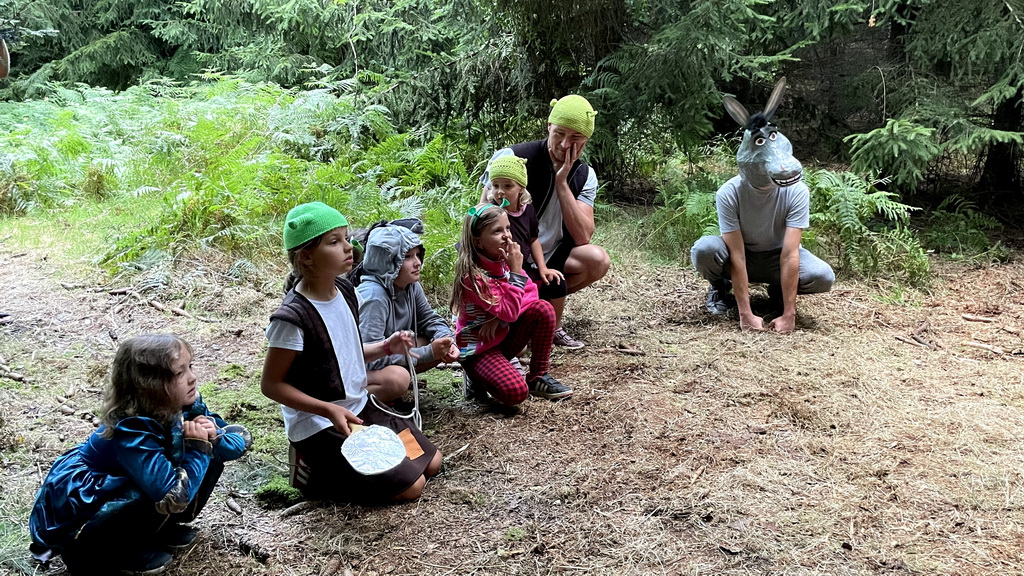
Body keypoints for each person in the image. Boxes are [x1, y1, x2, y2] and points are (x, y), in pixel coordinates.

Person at [260, 201, 442, 503]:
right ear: (307, 257)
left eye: (346, 238)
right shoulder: (292, 319)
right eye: (334, 242)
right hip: (321, 423)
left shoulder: (345, 291)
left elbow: (344, 352)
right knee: (412, 486)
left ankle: (348, 468)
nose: (348, 247)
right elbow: (271, 385)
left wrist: (385, 347)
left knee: (431, 462)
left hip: (360, 408)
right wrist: (327, 410)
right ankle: (313, 471)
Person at [29, 334, 252, 575]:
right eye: (180, 373)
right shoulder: (132, 430)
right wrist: (199, 448)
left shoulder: (184, 404)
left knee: (208, 458)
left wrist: (215, 437)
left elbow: (238, 441)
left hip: (144, 483)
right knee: (151, 487)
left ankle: (156, 532)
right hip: (90, 504)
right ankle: (113, 552)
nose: (192, 377)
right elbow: (172, 495)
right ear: (150, 384)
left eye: (191, 366)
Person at [690, 78, 834, 334]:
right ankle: (720, 287)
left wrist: (790, 315)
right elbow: (736, 254)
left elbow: (790, 253)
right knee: (704, 250)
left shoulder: (796, 190)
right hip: (742, 255)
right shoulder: (729, 193)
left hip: (777, 258)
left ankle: (780, 292)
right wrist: (745, 314)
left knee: (822, 276)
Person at [481, 95, 610, 349]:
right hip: (509, 252)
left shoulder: (585, 175)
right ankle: (511, 315)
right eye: (559, 133)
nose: (565, 144)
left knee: (598, 260)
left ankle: (544, 317)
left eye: (575, 137)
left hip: (551, 254)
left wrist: (562, 182)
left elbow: (583, 236)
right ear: (549, 126)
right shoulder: (513, 157)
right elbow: (483, 214)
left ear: (586, 140)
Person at [451, 201, 573, 405]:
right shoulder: (473, 277)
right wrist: (516, 274)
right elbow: (509, 311)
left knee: (543, 308)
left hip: (501, 337)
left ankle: (538, 376)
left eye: (507, 228)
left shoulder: (504, 263)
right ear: (478, 241)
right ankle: (475, 377)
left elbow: (532, 294)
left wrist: (499, 319)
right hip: (479, 350)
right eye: (497, 231)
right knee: (515, 392)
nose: (507, 236)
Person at [356, 224, 459, 401]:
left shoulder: (411, 285)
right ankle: (357, 403)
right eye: (407, 256)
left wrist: (448, 339)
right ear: (387, 261)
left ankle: (389, 391)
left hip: (389, 353)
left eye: (418, 255)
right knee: (398, 379)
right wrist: (428, 353)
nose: (417, 262)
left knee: (438, 343)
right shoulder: (373, 296)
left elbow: (429, 319)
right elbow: (368, 358)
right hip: (358, 369)